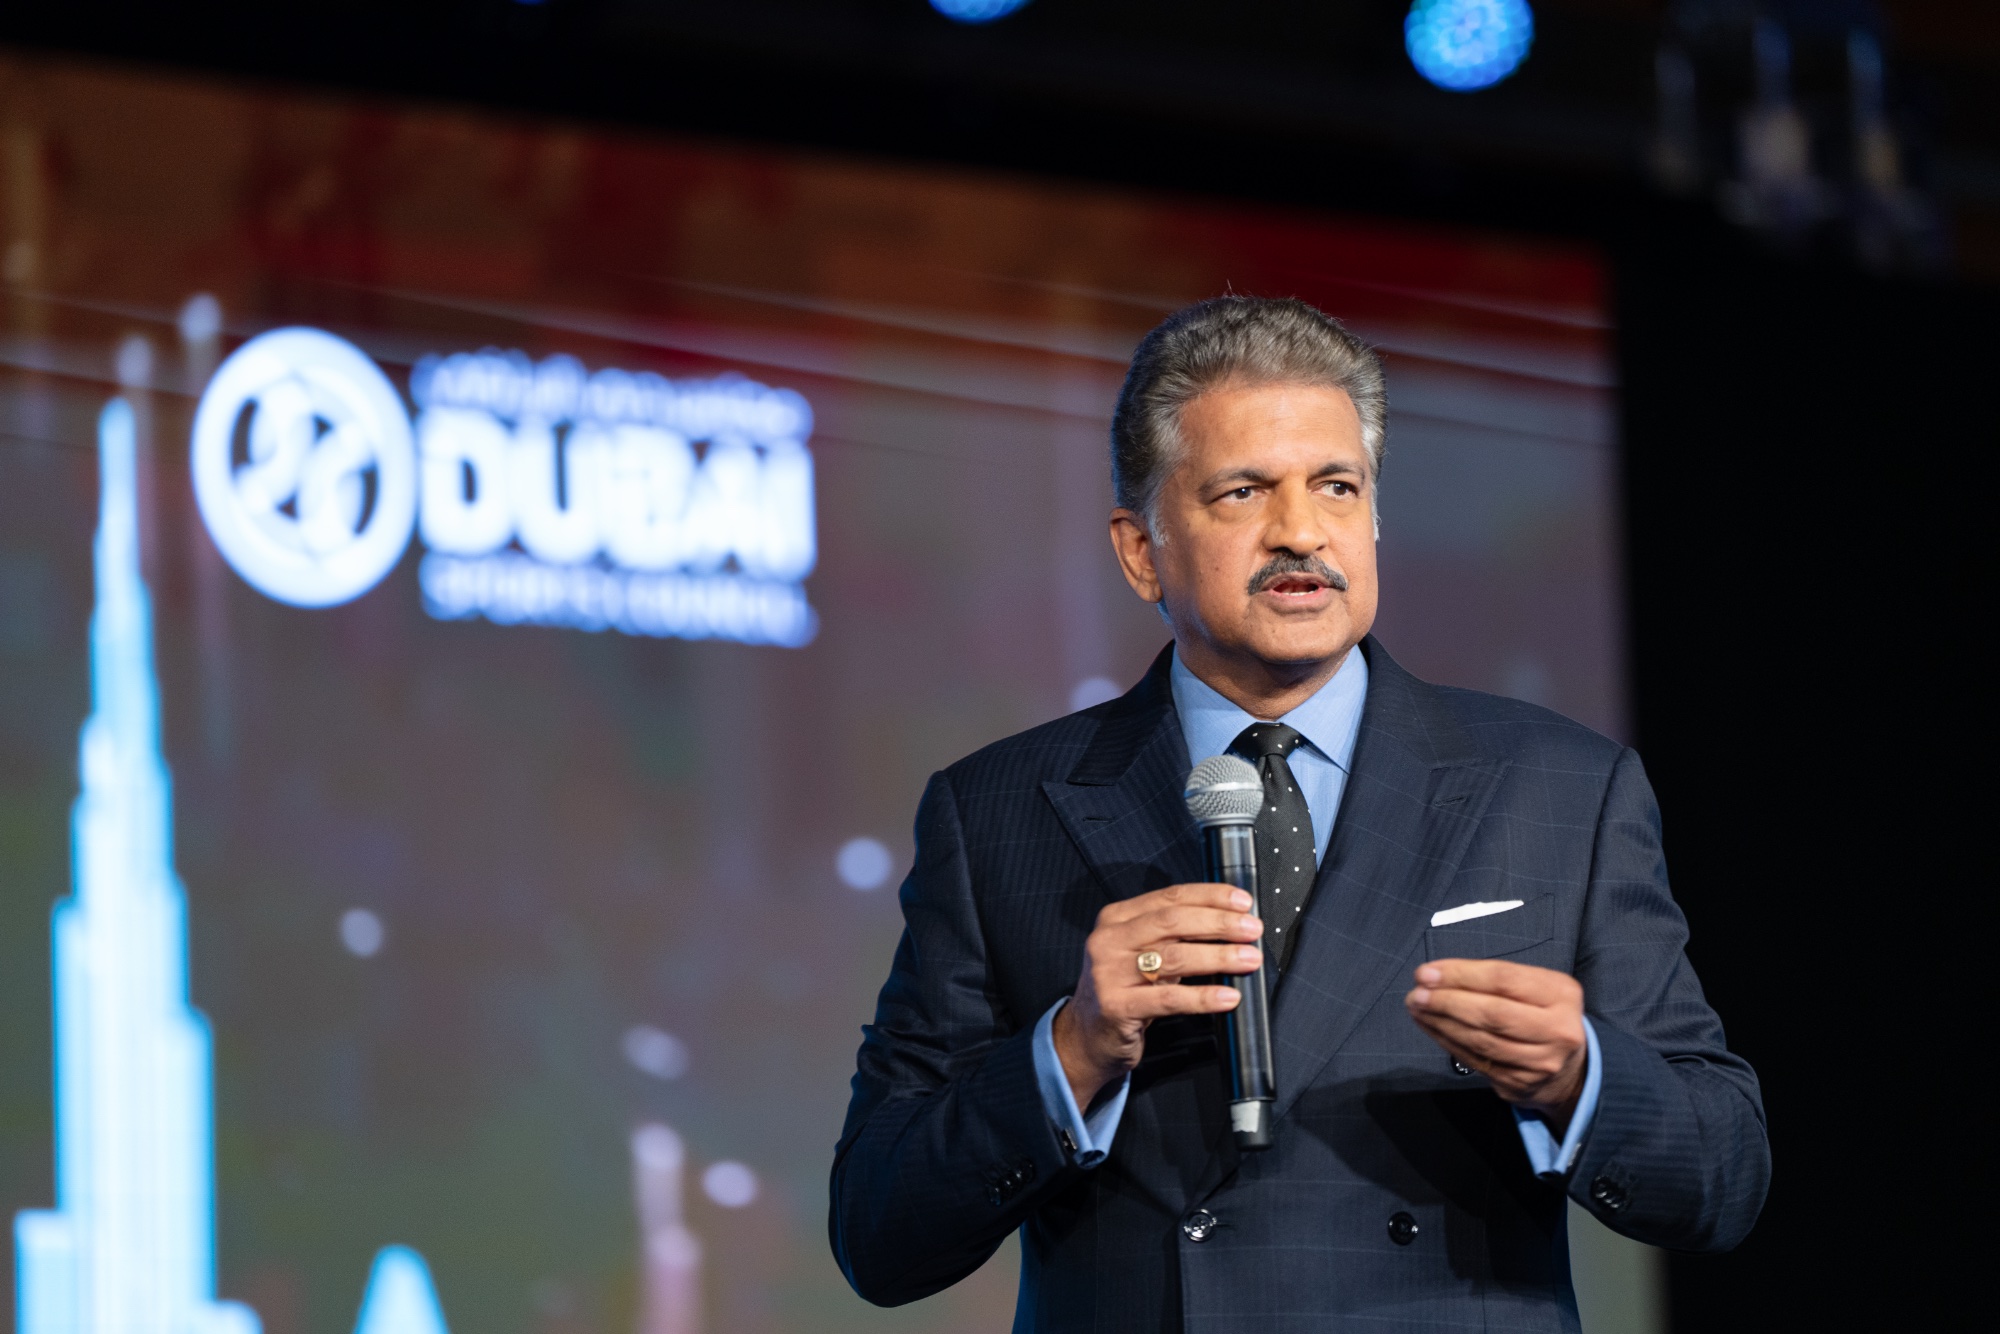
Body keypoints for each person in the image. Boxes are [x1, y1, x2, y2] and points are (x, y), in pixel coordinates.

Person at [830, 296, 1768, 1332]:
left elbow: (1722, 1175)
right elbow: (878, 1230)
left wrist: (1580, 1076)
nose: (1301, 532)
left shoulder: (1558, 785)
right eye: (1243, 491)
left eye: (1335, 486)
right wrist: (1074, 1046)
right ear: (1141, 550)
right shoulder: (996, 809)